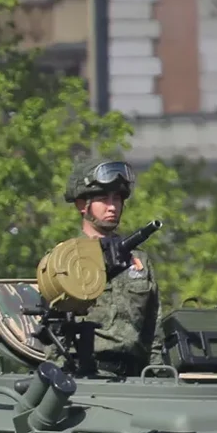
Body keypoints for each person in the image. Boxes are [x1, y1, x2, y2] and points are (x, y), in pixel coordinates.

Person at [64, 158, 158, 378]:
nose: (113, 206)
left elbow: (153, 330)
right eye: (103, 199)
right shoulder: (65, 260)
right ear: (81, 205)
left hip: (136, 378)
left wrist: (158, 376)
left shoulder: (138, 261)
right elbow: (52, 329)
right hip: (89, 377)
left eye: (117, 198)